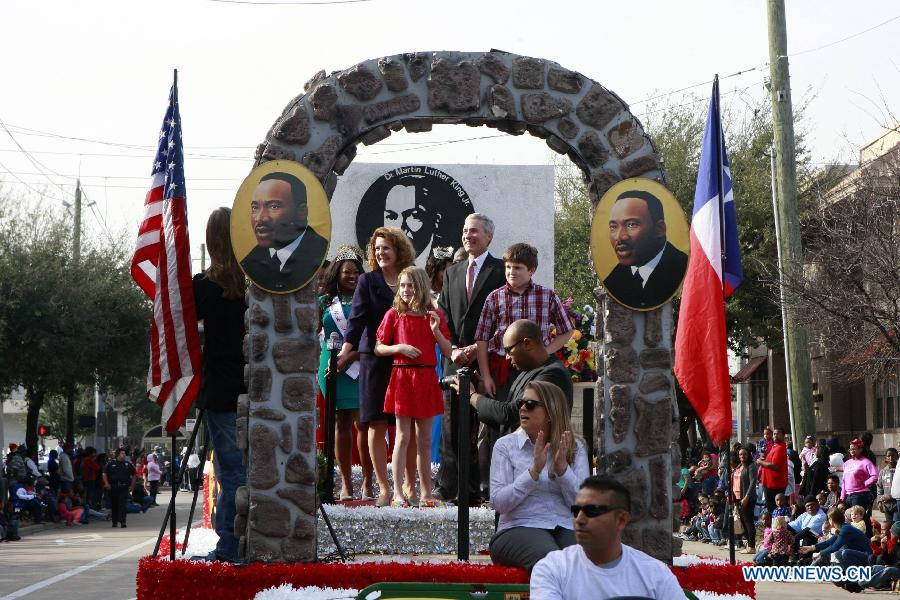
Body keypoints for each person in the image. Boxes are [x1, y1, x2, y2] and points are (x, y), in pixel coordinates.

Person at [341, 227, 417, 507]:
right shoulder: (367, 280)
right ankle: (384, 488)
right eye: (376, 249)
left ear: (399, 250)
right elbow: (357, 320)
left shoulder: (412, 278)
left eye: (386, 247)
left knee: (406, 424)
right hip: (374, 358)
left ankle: (408, 486)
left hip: (407, 359)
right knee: (375, 421)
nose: (380, 253)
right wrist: (346, 352)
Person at [434, 213, 506, 504]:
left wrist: (475, 350)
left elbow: (504, 317)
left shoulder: (501, 271)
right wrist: (453, 349)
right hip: (456, 359)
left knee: (487, 426)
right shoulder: (452, 273)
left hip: (488, 359)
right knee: (454, 427)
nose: (468, 235)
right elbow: (444, 316)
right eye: (465, 230)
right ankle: (453, 487)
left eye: (474, 231)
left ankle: (485, 487)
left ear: (488, 236)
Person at [193, 207, 249, 562]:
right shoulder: (252, 284)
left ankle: (230, 542)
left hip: (219, 388)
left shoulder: (203, 286)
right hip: (251, 383)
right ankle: (237, 537)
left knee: (231, 469)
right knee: (241, 468)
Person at [530, 474, 683, 599]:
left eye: (592, 511)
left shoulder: (655, 575)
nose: (579, 519)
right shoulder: (553, 569)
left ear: (621, 520)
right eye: (576, 510)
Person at [490, 382, 589, 572]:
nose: (522, 408)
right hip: (518, 526)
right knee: (551, 560)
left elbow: (583, 507)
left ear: (551, 411)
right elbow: (499, 503)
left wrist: (562, 471)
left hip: (565, 525)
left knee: (587, 558)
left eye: (530, 404)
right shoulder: (505, 446)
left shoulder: (574, 447)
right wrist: (533, 472)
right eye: (521, 403)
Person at [375, 266, 452, 507]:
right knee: (402, 436)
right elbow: (378, 347)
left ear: (420, 286)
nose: (406, 290)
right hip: (402, 377)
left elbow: (449, 351)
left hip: (426, 378)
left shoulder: (433, 316)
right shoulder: (393, 314)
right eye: (403, 285)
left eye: (410, 285)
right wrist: (399, 348)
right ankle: (398, 492)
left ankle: (426, 492)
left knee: (425, 439)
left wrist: (436, 331)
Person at [318, 246, 373, 501]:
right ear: (336, 273)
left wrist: (349, 357)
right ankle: (346, 484)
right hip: (332, 367)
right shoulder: (325, 302)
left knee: (364, 423)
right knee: (340, 423)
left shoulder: (368, 298)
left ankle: (368, 483)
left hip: (360, 363)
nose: (352, 276)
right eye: (347, 272)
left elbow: (371, 333)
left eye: (356, 272)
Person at [239, 171, 329, 292]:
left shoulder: (318, 254)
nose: (260, 218)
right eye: (255, 207)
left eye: (274, 206)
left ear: (302, 212)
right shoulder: (250, 261)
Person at [602, 189, 688, 309]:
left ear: (659, 229)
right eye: (613, 227)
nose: (620, 237)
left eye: (631, 224)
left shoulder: (685, 269)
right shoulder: (613, 281)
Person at [800, 507, 872, 570]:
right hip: (858, 554)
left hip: (867, 556)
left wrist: (819, 554)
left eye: (829, 519)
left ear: (831, 519)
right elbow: (829, 542)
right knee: (838, 553)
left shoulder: (845, 529)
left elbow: (835, 547)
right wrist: (811, 548)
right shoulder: (843, 528)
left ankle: (856, 574)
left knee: (845, 553)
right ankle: (847, 574)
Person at [842, 437, 878, 536]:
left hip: (860, 494)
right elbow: (844, 481)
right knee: (849, 519)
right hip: (849, 495)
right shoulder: (847, 463)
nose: (852, 451)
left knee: (859, 520)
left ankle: (867, 540)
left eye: (854, 449)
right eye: (850, 449)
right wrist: (842, 496)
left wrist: (865, 483)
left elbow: (875, 475)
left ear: (860, 449)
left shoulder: (865, 462)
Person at [756, 427, 788, 513]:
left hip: (775, 485)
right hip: (769, 483)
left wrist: (760, 462)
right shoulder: (775, 446)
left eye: (778, 434)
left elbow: (775, 466)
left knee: (773, 510)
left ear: (783, 436)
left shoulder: (780, 448)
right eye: (774, 434)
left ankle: (775, 526)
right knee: (771, 509)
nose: (775, 436)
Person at [103, 447, 136, 528]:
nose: (124, 455)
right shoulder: (111, 464)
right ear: (118, 454)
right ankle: (114, 521)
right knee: (114, 505)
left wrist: (132, 485)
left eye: (124, 453)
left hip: (124, 487)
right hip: (113, 487)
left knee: (123, 505)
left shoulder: (127, 464)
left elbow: (134, 474)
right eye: (122, 453)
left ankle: (123, 521)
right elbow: (104, 473)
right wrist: (106, 483)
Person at [734, 447, 758, 554]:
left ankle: (752, 546)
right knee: (743, 522)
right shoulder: (739, 467)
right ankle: (748, 545)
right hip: (738, 498)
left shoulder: (751, 466)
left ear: (748, 455)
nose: (742, 456)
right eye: (740, 455)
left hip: (747, 498)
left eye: (744, 454)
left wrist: (747, 497)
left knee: (749, 522)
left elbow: (753, 482)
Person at [878, 448, 898, 524]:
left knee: (896, 526)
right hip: (887, 505)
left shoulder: (898, 471)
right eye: (888, 456)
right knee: (888, 526)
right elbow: (879, 487)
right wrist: (879, 501)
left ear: (897, 457)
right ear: (885, 457)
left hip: (897, 505)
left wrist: (890, 496)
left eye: (893, 456)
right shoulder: (883, 471)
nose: (891, 458)